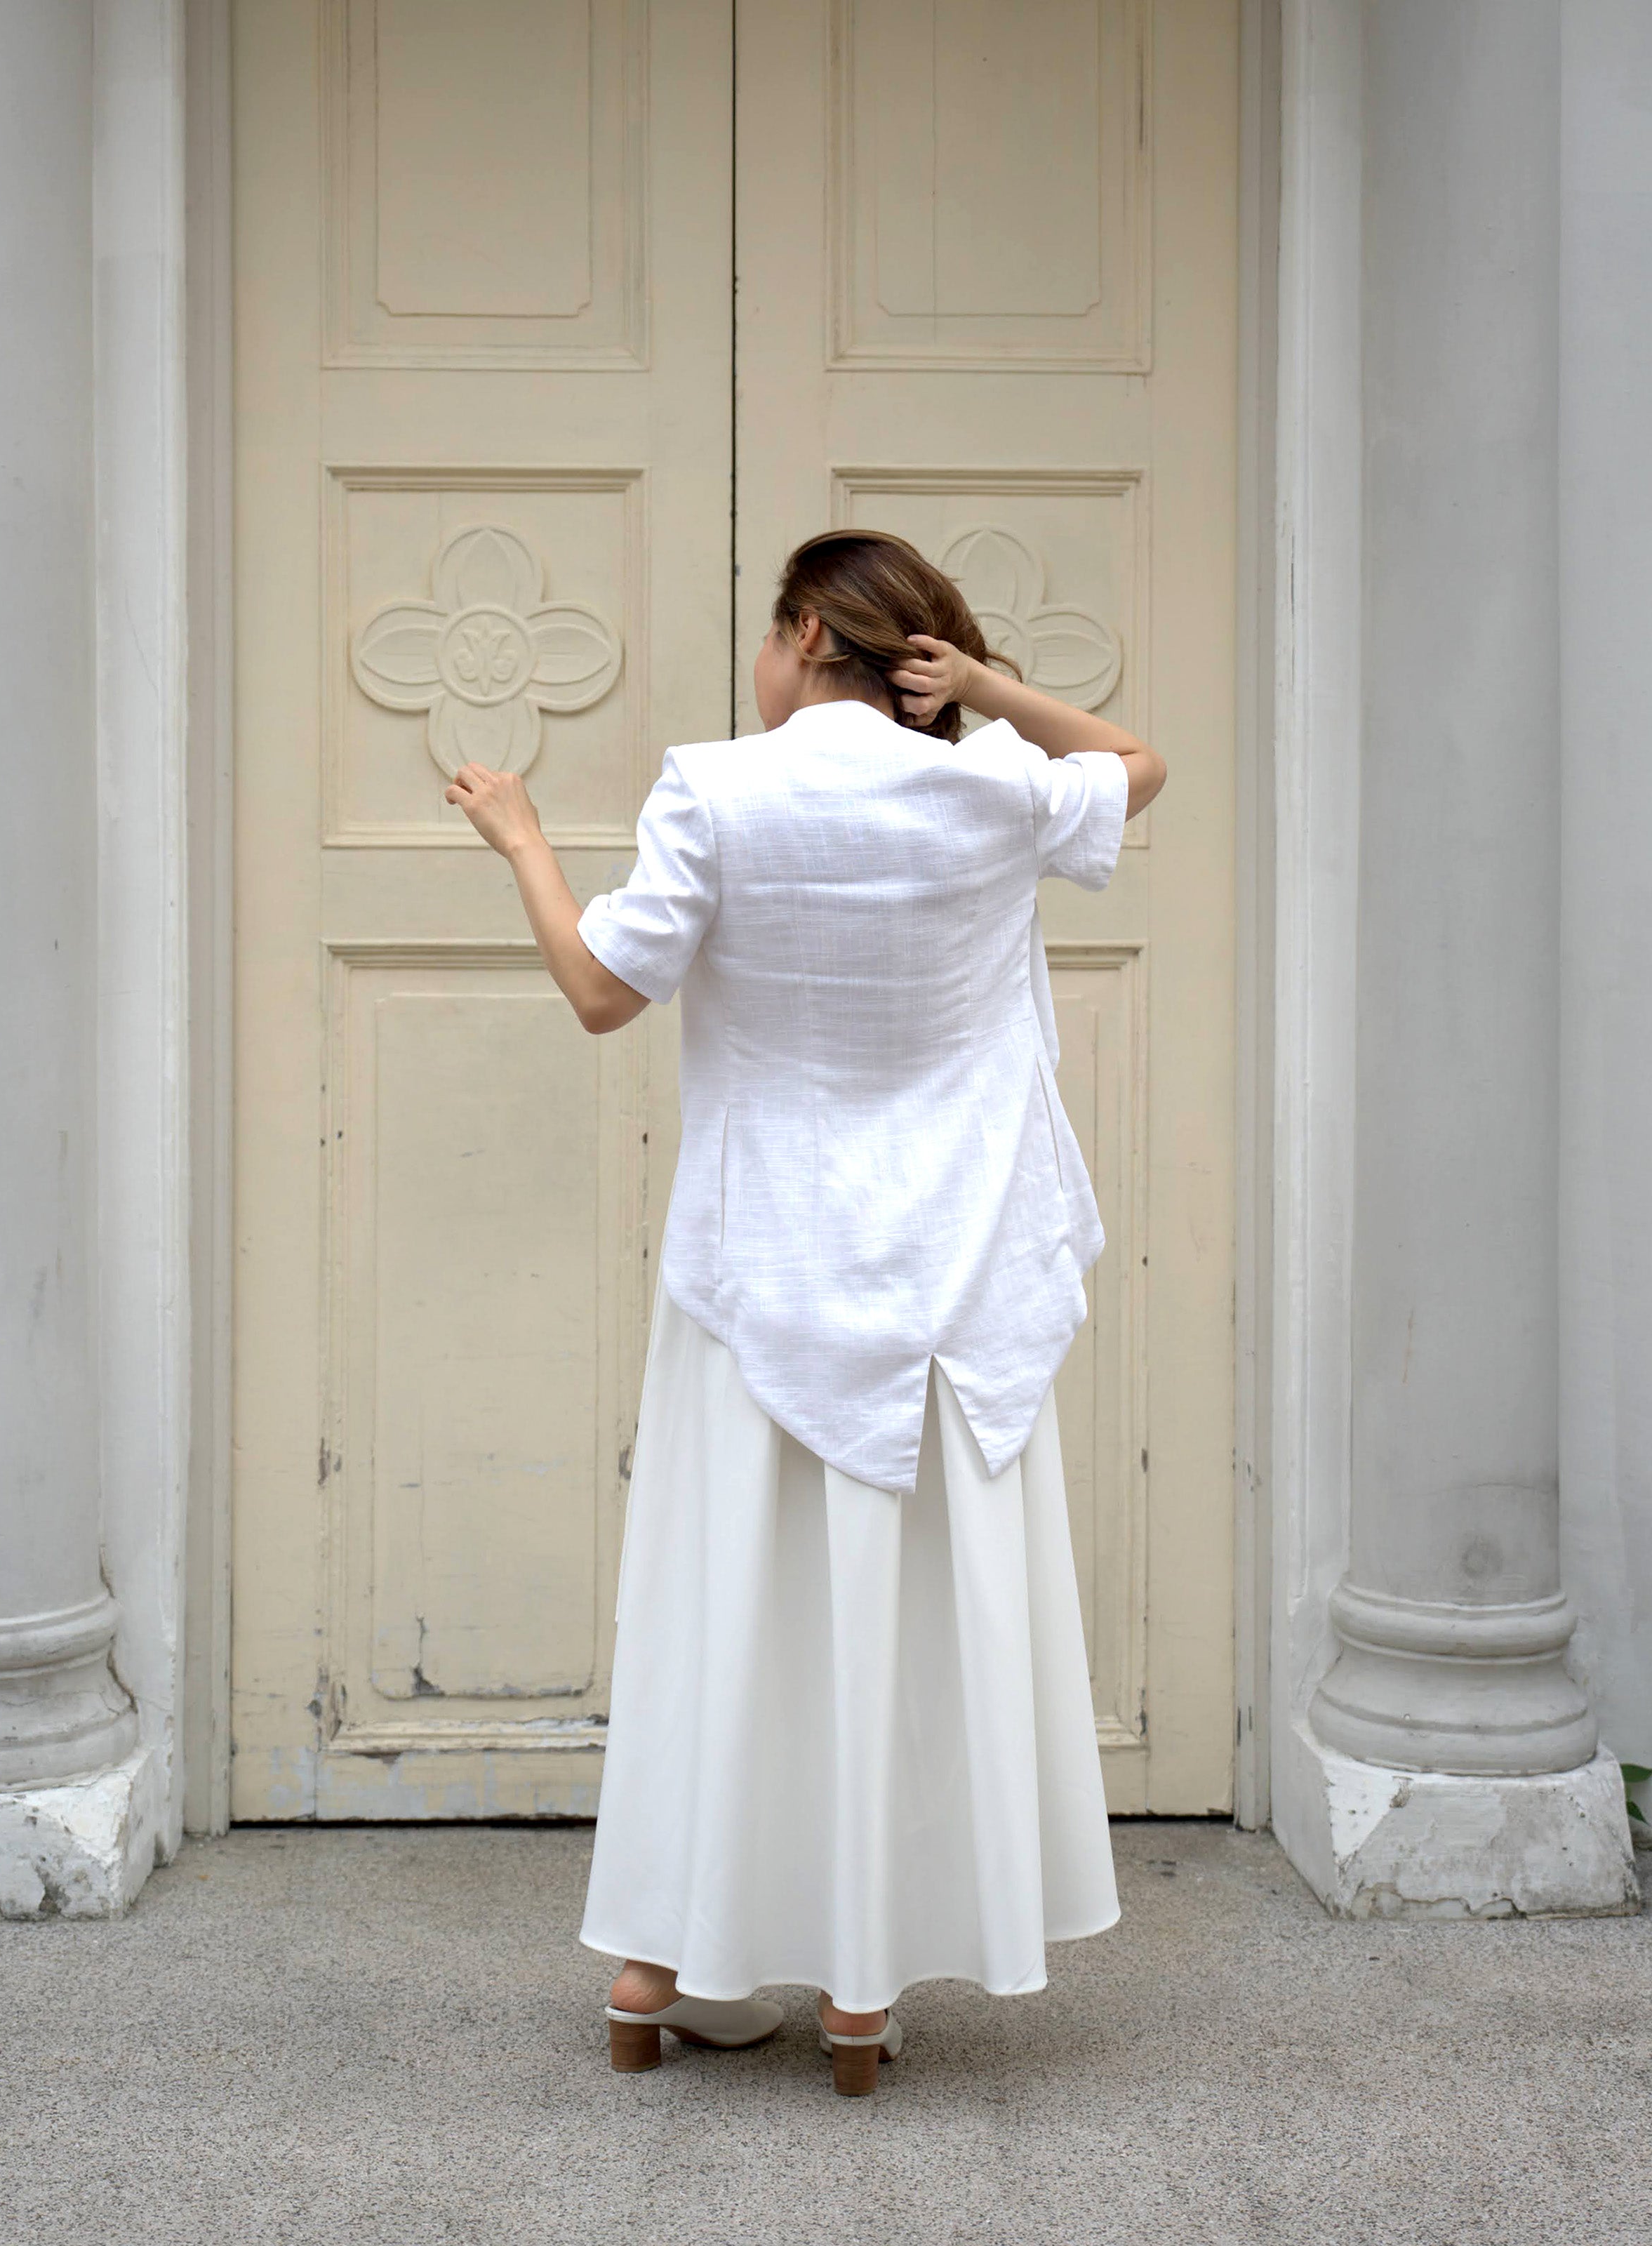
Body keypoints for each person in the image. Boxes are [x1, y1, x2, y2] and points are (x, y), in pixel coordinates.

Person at [446, 528, 1166, 2097]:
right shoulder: (991, 791)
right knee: (901, 1618)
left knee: (733, 1611)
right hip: (949, 1285)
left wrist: (521, 839)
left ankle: (662, 1970)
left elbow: (600, 991)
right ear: (907, 658)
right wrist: (984, 690)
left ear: (799, 632)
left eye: (769, 641)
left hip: (762, 1279)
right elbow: (1136, 762)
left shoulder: (717, 785)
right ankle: (858, 1992)